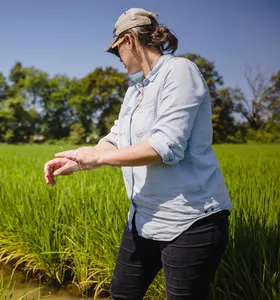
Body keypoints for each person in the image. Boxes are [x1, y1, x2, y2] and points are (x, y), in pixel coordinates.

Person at [44, 7, 233, 300]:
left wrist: (96, 158)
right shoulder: (134, 91)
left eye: (117, 49)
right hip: (143, 218)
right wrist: (77, 160)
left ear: (130, 40)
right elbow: (116, 139)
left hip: (190, 220)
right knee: (121, 293)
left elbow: (164, 146)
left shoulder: (179, 71)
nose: (118, 58)